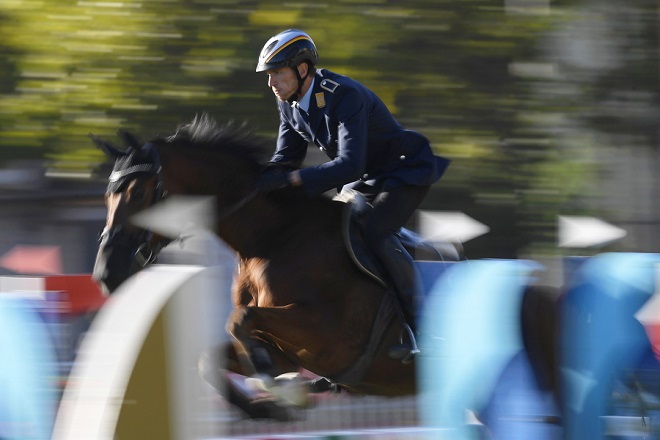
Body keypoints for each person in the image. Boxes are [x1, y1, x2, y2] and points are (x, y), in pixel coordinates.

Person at [255, 29, 450, 354]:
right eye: (269, 74)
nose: (271, 82)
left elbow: (349, 165)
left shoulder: (343, 95)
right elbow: (284, 160)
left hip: (403, 170)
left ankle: (423, 330)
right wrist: (254, 183)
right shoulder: (288, 105)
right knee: (330, 236)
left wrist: (292, 182)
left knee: (373, 231)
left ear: (302, 70)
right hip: (365, 178)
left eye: (277, 72)